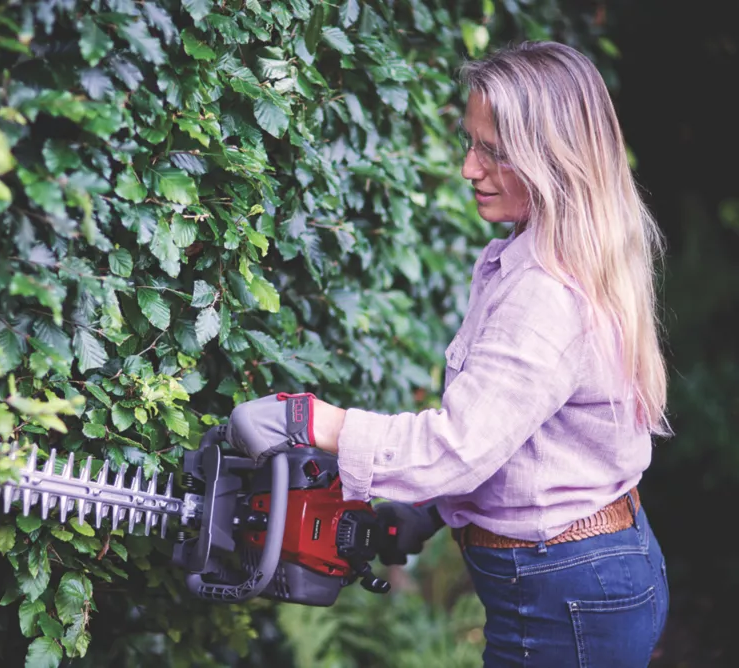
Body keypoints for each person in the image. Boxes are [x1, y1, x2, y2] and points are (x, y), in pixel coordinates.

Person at [225, 41, 670, 667]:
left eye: (494, 151)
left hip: (565, 598)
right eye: (470, 142)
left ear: (555, 158)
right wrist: (428, 511)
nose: (468, 168)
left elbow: (459, 445)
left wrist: (311, 420)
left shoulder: (545, 293)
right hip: (587, 577)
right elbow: (515, 431)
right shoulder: (547, 254)